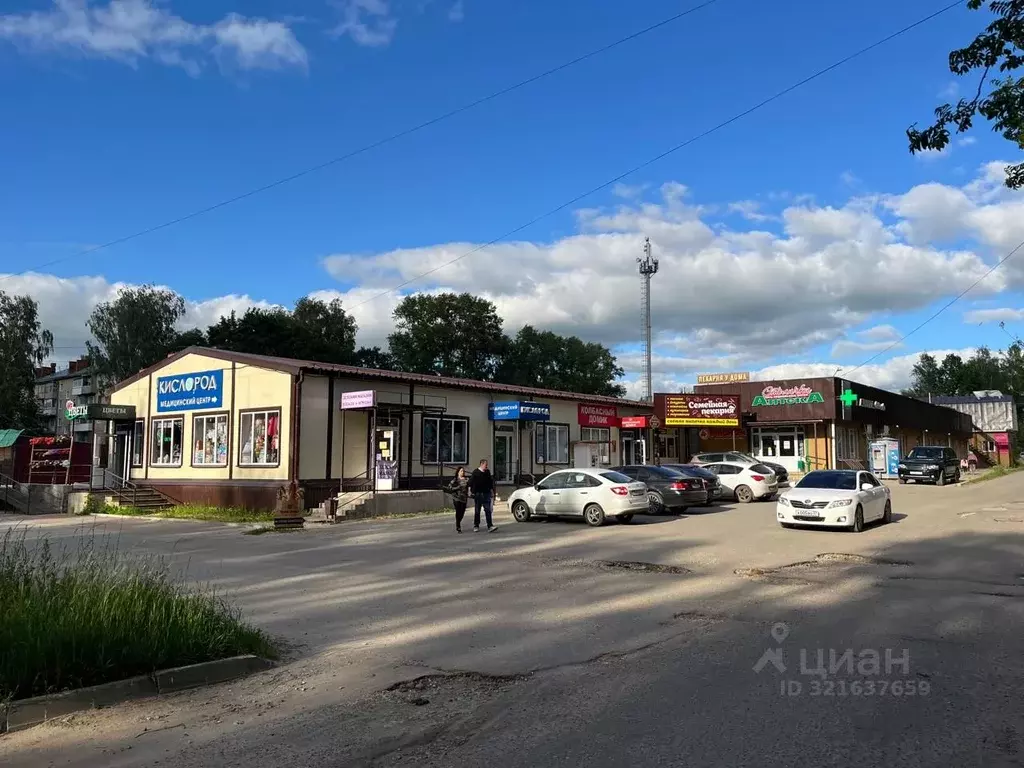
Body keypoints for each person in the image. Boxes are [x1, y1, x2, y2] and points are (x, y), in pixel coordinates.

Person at [469, 458, 497, 532]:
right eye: (485, 465)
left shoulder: (487, 472)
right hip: (478, 494)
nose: (486, 466)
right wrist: (471, 491)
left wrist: (492, 491)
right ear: (481, 464)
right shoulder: (475, 472)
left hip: (486, 493)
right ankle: (476, 525)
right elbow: (471, 482)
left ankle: (490, 526)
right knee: (477, 510)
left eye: (487, 465)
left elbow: (490, 482)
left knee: (488, 510)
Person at [444, 467, 470, 534]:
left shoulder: (467, 479)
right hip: (456, 498)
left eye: (463, 471)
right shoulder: (455, 480)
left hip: (464, 498)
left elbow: (469, 487)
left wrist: (469, 492)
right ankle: (458, 526)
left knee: (462, 512)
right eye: (461, 471)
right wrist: (457, 488)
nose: (463, 472)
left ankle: (458, 521)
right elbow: (450, 487)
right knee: (458, 511)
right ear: (458, 472)